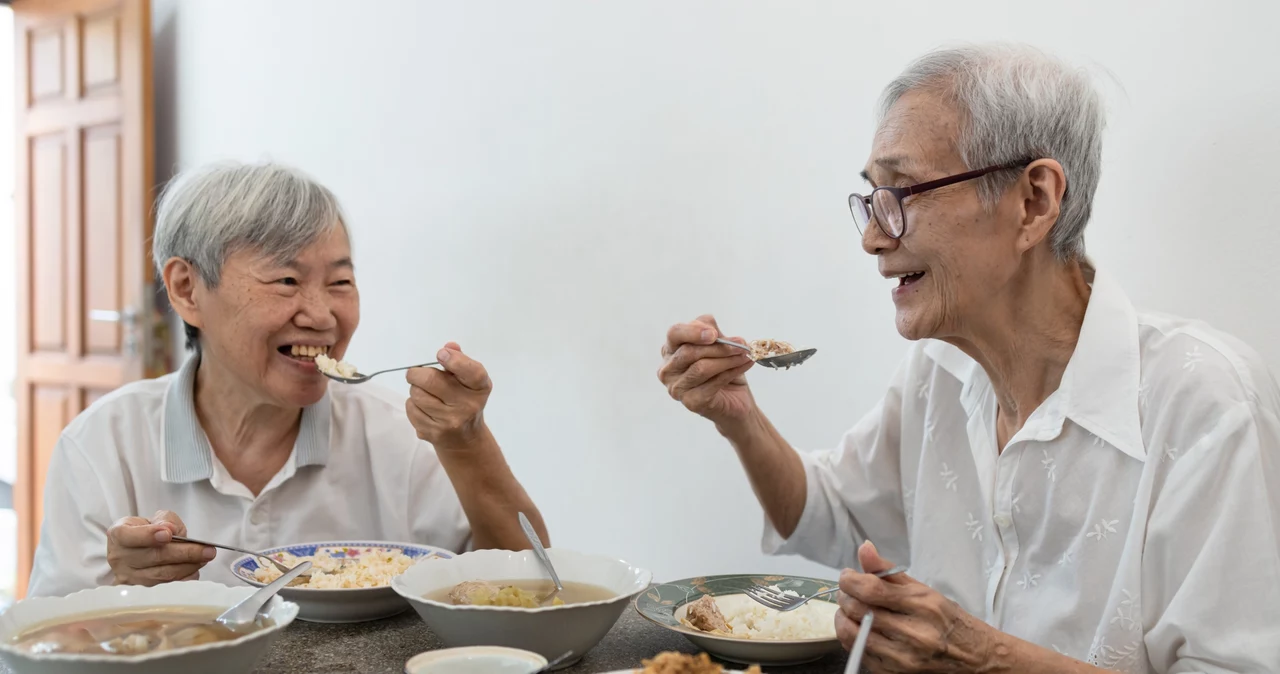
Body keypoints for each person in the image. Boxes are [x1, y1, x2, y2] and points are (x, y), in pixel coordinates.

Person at [659, 44, 1279, 673]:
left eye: (901, 193)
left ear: (1033, 201)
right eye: (870, 198)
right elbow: (831, 515)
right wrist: (740, 418)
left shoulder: (1205, 405)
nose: (873, 236)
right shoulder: (942, 374)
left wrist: (981, 658)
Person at [28, 161, 548, 597]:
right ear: (187, 289)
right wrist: (125, 591)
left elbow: (537, 589)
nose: (322, 315)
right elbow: (52, 648)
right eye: (287, 280)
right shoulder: (103, 446)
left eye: (340, 281)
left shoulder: (398, 436)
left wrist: (466, 441)